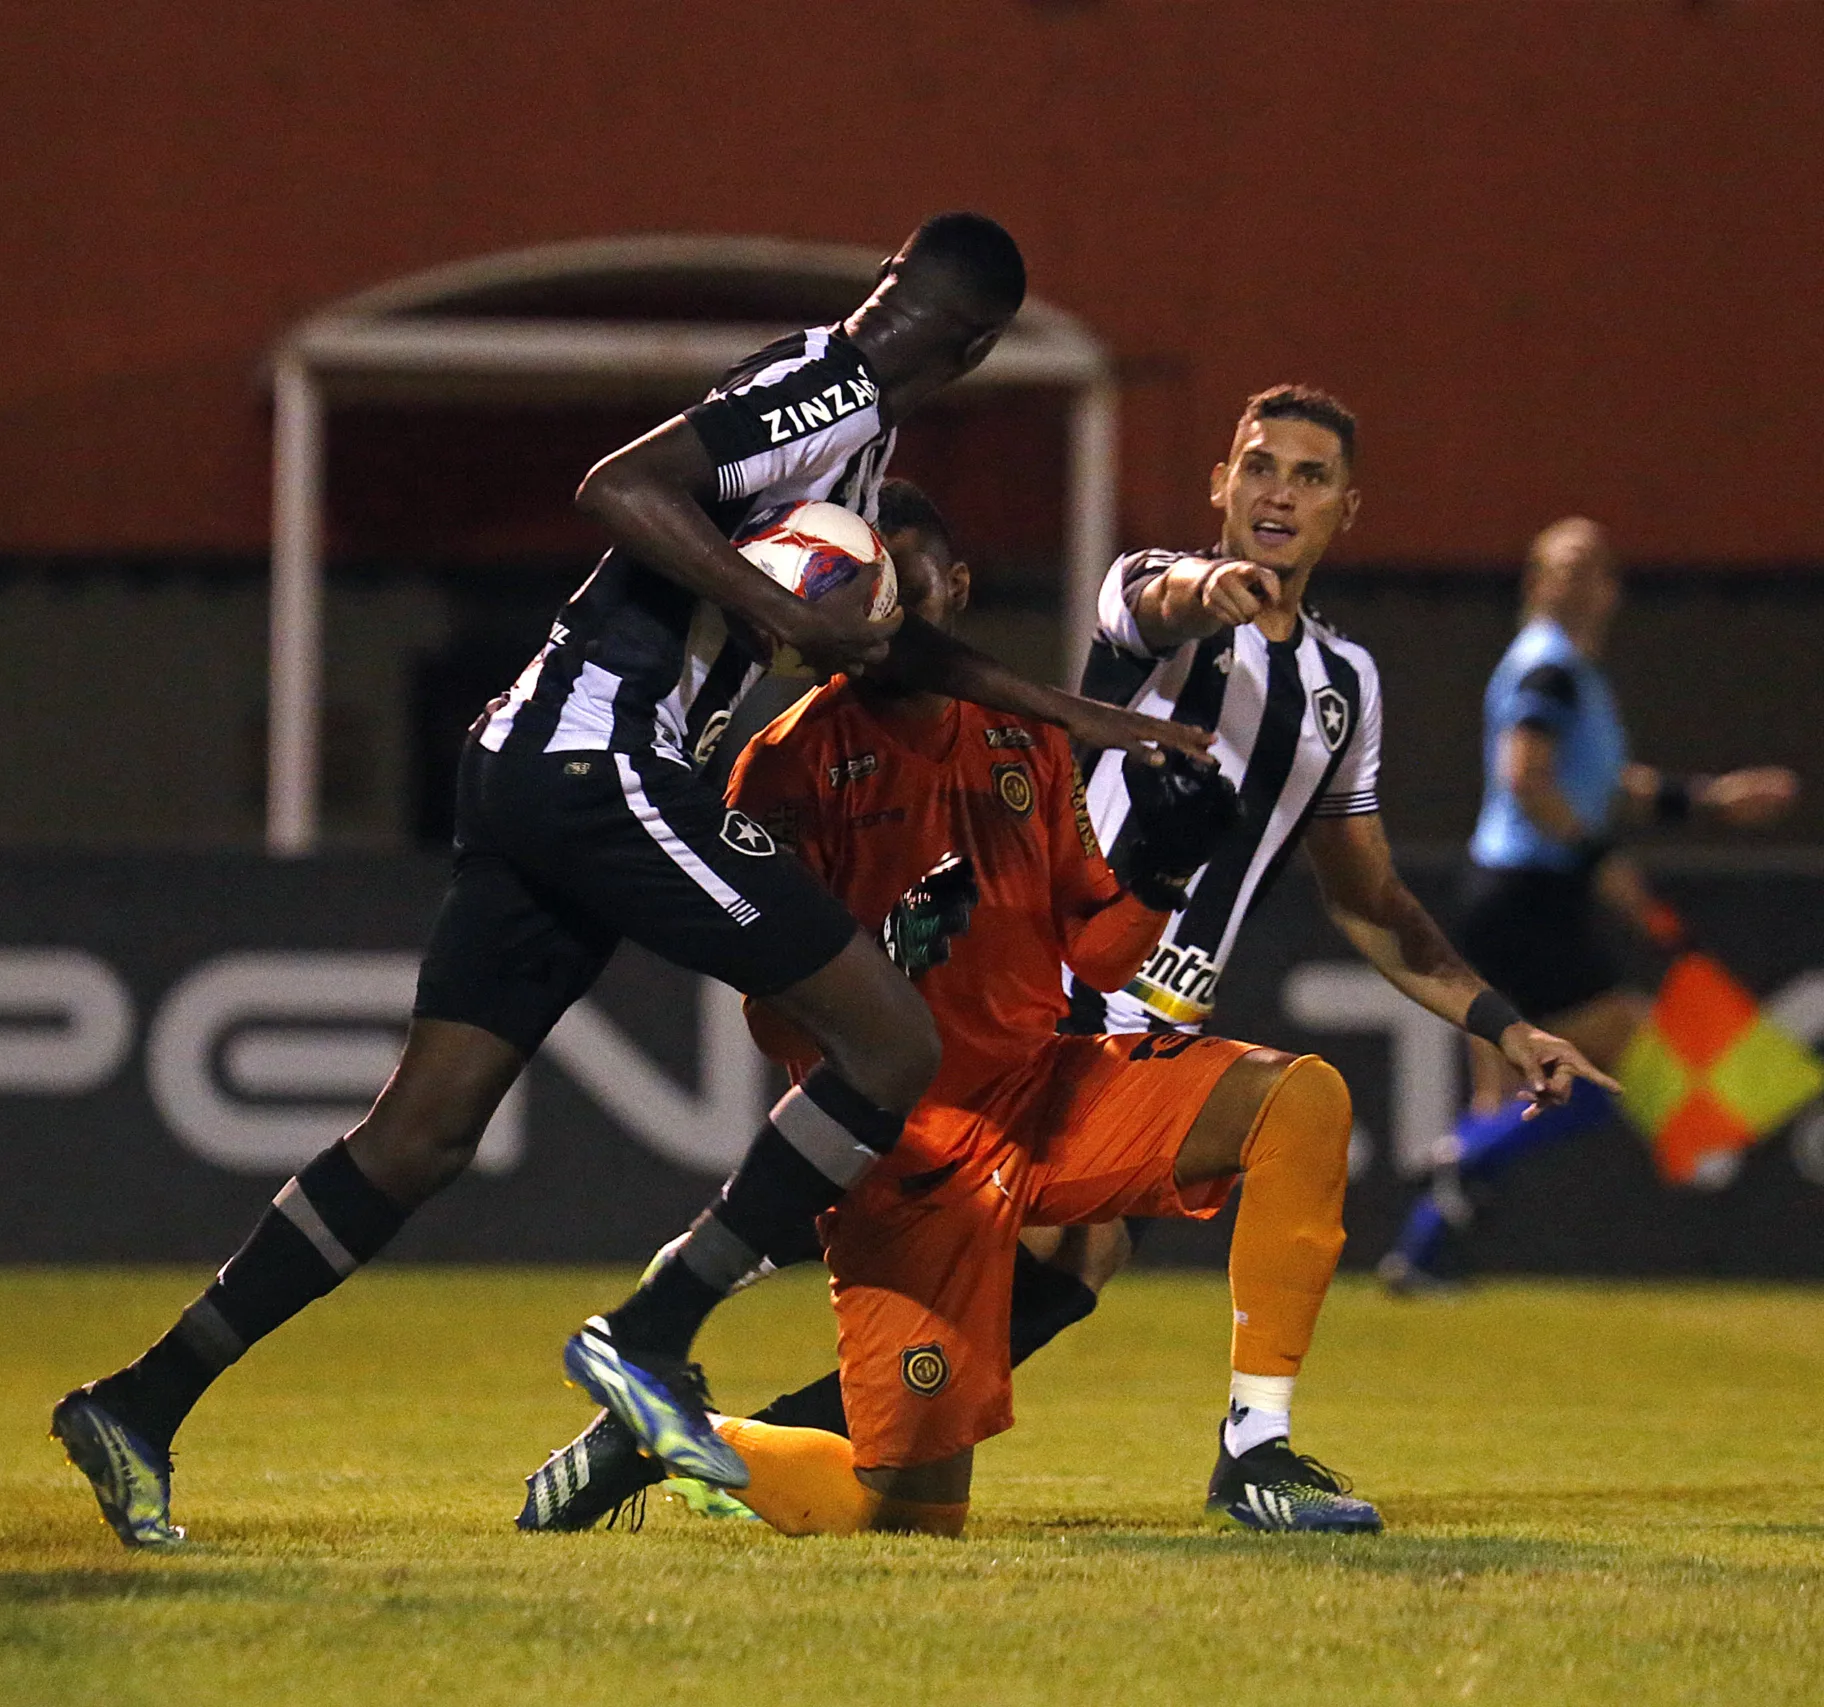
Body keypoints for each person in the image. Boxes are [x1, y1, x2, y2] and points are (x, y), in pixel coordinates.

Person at [51, 214, 1208, 1549]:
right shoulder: (823, 389)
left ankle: (139, 1400)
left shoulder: (857, 429)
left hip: (538, 759)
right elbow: (620, 484)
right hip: (598, 754)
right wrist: (784, 615)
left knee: (421, 1133)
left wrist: (1077, 713)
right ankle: (648, 1332)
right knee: (889, 1034)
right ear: (976, 345)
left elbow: (885, 648)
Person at [529, 391, 1615, 1525]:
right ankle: (701, 1395)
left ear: (1349, 506)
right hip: (1049, 1003)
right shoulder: (1147, 599)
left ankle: (1241, 1451)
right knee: (1022, 1272)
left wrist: (1506, 1024)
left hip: (1149, 1017)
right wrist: (1217, 591)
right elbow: (1158, 603)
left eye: (1307, 475)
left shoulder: (1344, 686)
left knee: (1069, 1271)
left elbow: (1373, 900)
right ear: (1220, 485)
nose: (1278, 493)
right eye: (1258, 467)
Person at [1380, 517, 1797, 1289]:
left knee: (1505, 1089)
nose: (1577, 581)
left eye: (1592, 567)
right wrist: (1605, 861)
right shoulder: (1548, 670)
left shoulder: (1568, 672)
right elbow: (1527, 777)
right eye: (1562, 567)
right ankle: (1462, 1161)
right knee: (1624, 1061)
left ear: (1611, 588)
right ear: (1538, 583)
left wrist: (1709, 799)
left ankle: (1423, 1253)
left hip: (1505, 894)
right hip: (1526, 896)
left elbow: (1601, 783)